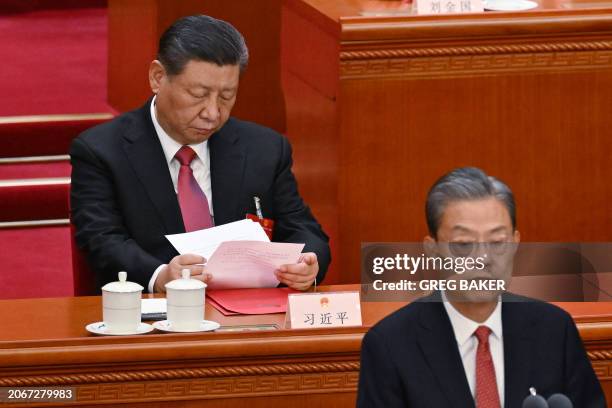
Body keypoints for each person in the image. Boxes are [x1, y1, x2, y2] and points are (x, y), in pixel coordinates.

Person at [70, 15, 330, 293]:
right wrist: (160, 276)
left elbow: (303, 229)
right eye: (197, 94)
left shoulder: (264, 148)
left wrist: (308, 265)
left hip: (248, 317)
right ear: (158, 77)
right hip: (152, 315)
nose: (212, 113)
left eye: (226, 97)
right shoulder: (101, 151)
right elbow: (101, 239)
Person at [357, 167, 605, 407]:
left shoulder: (554, 330)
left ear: (516, 243)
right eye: (464, 244)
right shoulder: (390, 345)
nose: (483, 257)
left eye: (497, 242)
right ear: (432, 249)